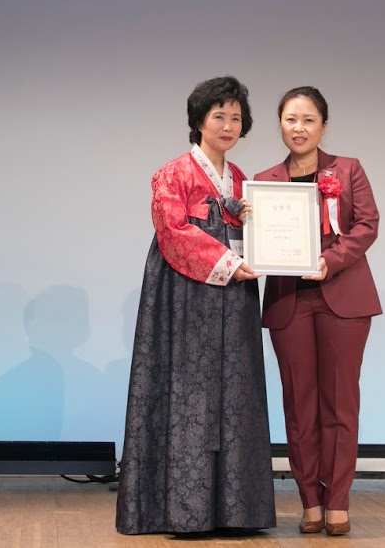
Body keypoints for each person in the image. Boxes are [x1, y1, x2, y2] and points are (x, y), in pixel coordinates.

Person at [116, 76, 276, 535]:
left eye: (236, 118)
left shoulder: (242, 180)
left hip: (236, 293)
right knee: (189, 389)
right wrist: (229, 262)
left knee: (236, 389)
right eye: (218, 116)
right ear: (199, 121)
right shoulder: (173, 173)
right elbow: (172, 231)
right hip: (185, 292)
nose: (228, 126)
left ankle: (236, 511)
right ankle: (182, 511)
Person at [255, 86, 381, 537]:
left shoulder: (348, 169)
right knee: (299, 406)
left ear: (324, 126)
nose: (299, 128)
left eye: (308, 120)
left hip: (343, 298)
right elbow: (257, 239)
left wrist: (331, 260)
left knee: (340, 404)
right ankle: (310, 499)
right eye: (291, 119)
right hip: (289, 302)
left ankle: (338, 500)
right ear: (280, 125)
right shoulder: (263, 182)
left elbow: (367, 224)